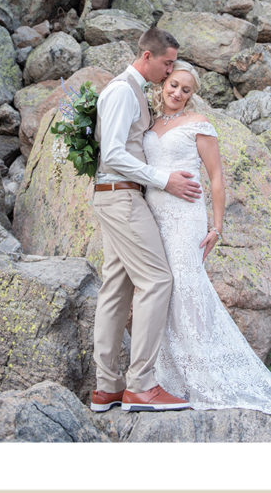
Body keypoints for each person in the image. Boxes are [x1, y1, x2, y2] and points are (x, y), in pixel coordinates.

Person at [142, 60, 271, 442]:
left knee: (186, 285)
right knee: (162, 289)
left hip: (184, 217)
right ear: (164, 83)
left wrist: (217, 226)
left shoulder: (198, 124)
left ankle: (203, 370)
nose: (177, 93)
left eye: (186, 90)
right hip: (154, 215)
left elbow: (216, 177)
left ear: (193, 95)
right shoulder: (150, 123)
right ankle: (166, 374)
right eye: (174, 85)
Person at [89, 28, 201, 413]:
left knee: (117, 287)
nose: (171, 71)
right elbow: (113, 154)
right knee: (157, 280)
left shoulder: (132, 91)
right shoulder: (123, 91)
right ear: (147, 56)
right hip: (121, 195)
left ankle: (107, 388)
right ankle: (141, 385)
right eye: (167, 63)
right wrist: (164, 180)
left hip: (117, 195)